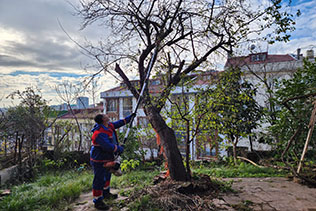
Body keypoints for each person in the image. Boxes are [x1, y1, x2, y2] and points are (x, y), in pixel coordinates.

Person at [90, 113, 136, 210]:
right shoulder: (98, 133)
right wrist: (119, 148)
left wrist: (129, 118)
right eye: (104, 115)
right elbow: (107, 146)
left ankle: (106, 193)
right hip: (99, 159)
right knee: (99, 179)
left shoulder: (109, 126)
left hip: (108, 157)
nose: (107, 115)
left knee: (107, 176)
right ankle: (98, 201)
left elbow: (118, 123)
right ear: (103, 119)